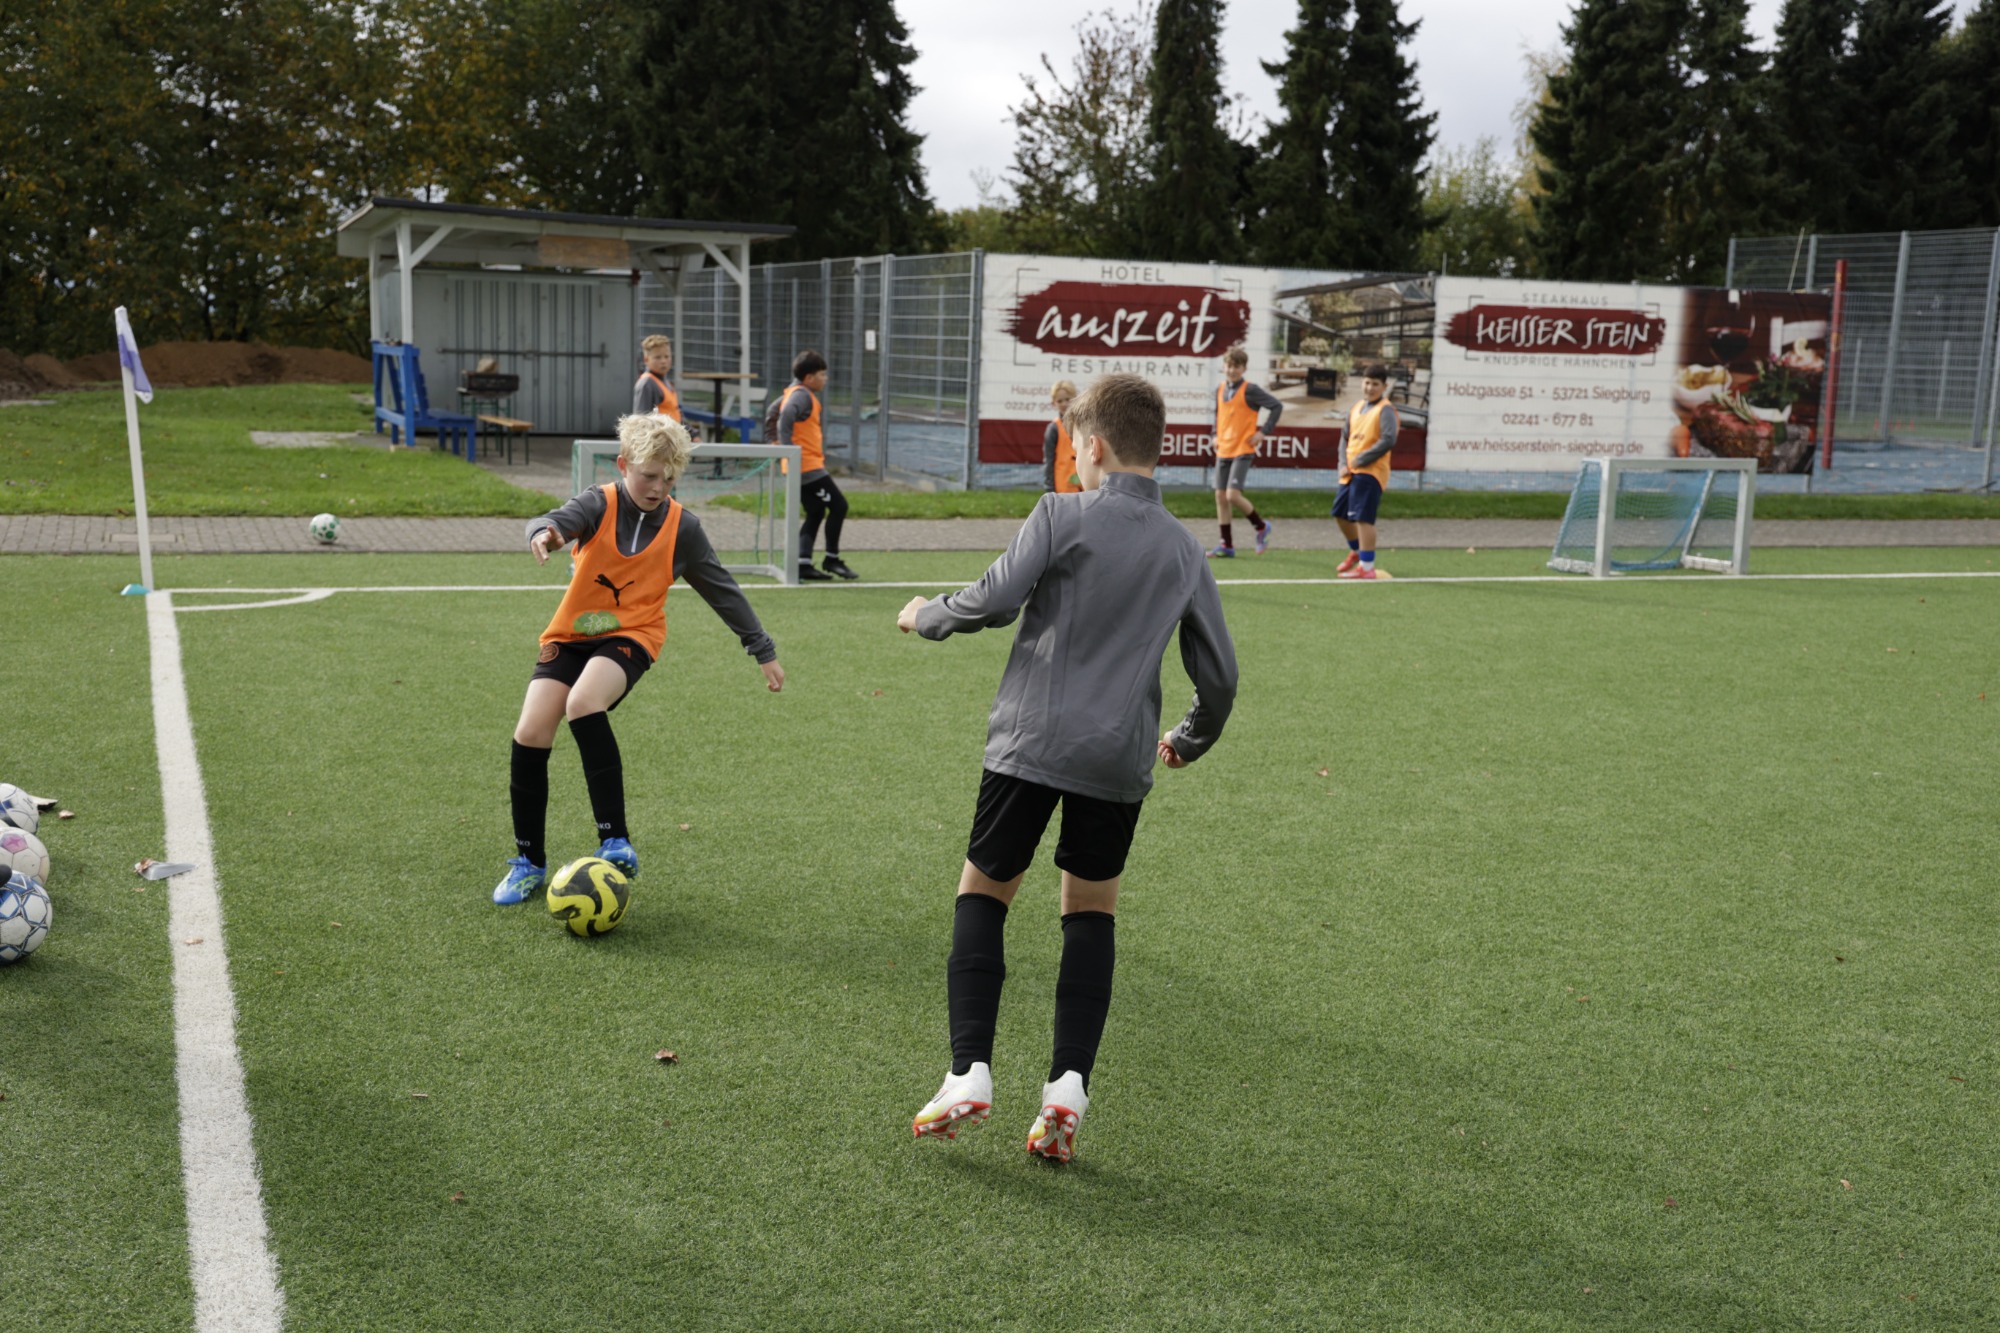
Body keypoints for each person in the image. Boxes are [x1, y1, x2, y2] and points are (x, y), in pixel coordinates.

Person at [896, 373, 1238, 1164]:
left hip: (1032, 741)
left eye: (1077, 447)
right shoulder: (1185, 550)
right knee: (1090, 913)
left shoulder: (1060, 512)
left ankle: (968, 1069)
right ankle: (1067, 1087)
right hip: (1118, 755)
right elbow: (1219, 678)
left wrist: (926, 614)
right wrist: (1187, 738)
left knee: (983, 891)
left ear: (1095, 446)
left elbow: (993, 600)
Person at [491, 413, 784, 906]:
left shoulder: (683, 528)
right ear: (624, 465)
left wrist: (762, 649)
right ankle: (528, 862)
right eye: (649, 475)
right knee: (531, 732)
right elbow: (557, 521)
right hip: (571, 634)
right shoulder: (598, 503)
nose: (658, 487)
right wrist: (544, 532)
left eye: (669, 478)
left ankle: (614, 840)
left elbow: (722, 590)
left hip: (633, 635)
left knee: (583, 702)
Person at [773, 349, 857, 581]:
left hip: (802, 466)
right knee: (839, 506)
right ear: (809, 378)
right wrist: (788, 450)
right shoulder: (801, 396)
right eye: (822, 374)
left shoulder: (793, 392)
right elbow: (785, 416)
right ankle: (832, 559)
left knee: (816, 511)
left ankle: (803, 563)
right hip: (806, 467)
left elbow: (773, 411)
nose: (825, 379)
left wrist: (777, 444)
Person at [1208, 344, 1282, 558]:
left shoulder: (1250, 390)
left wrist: (1263, 432)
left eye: (1237, 366)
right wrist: (1215, 434)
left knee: (1232, 495)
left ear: (1244, 369)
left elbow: (1276, 406)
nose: (1232, 370)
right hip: (1224, 448)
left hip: (1243, 448)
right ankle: (1226, 545)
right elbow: (1218, 416)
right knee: (1220, 496)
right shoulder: (1220, 389)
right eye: (1229, 365)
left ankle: (1261, 527)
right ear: (1224, 366)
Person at [1334, 363, 1398, 579]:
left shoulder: (1385, 409)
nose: (1370, 388)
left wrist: (1362, 459)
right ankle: (1357, 551)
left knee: (1363, 518)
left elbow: (1388, 439)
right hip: (1350, 471)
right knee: (1340, 514)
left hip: (1370, 471)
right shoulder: (1356, 407)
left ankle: (1367, 567)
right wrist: (1342, 463)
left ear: (1384, 387)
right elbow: (1344, 437)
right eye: (1367, 383)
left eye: (1375, 384)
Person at [1042, 379, 1082, 494]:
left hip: (1085, 487)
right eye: (1060, 401)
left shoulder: (1085, 426)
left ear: (1076, 399)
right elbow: (1049, 461)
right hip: (1063, 489)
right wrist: (1049, 489)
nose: (1064, 404)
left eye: (1068, 399)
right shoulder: (1053, 429)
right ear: (1054, 403)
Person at [633, 335, 681, 421]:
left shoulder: (666, 382)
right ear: (646, 360)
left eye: (667, 356)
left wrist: (690, 429)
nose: (663, 361)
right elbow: (641, 420)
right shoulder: (647, 384)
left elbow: (676, 412)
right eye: (657, 357)